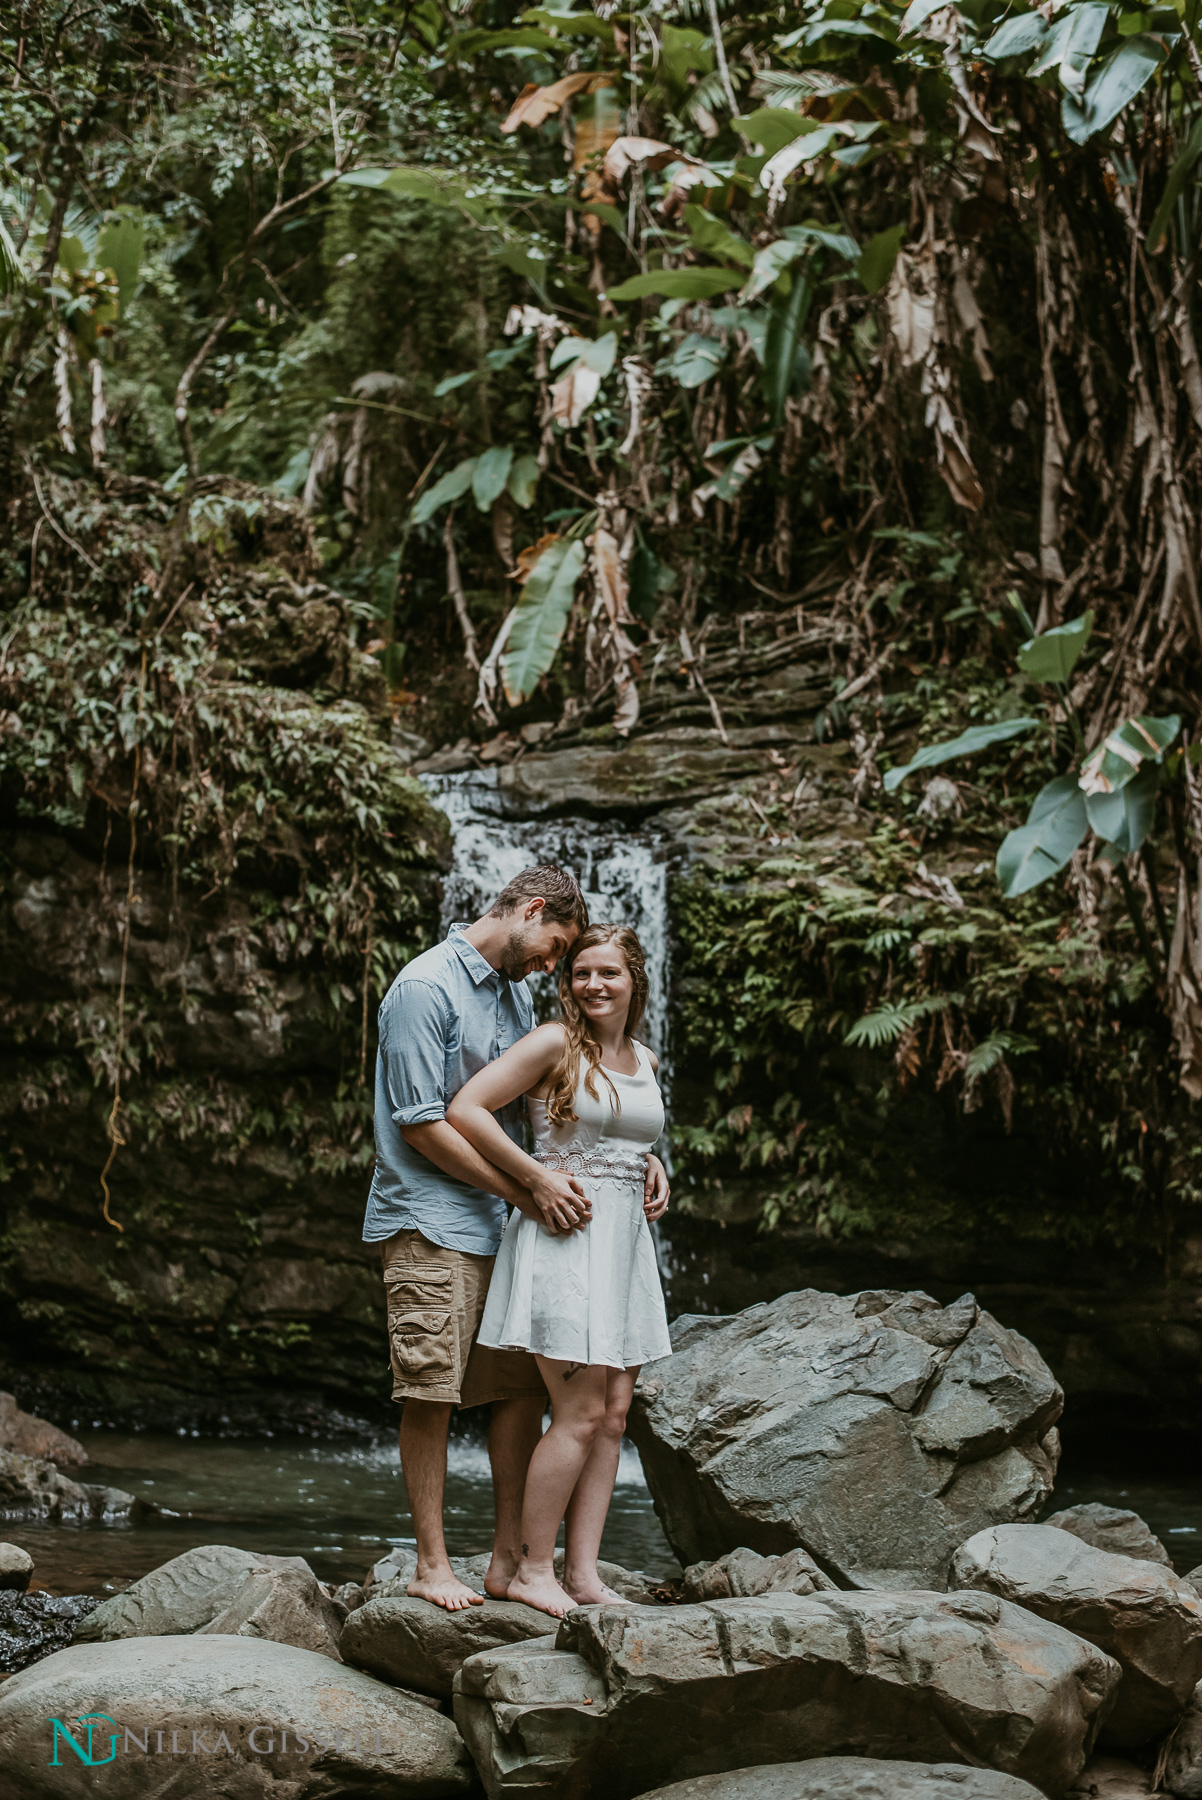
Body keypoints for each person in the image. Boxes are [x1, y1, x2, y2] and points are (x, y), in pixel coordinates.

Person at [363, 870, 670, 1613]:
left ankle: (513, 1561)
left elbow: (556, 1109)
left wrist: (635, 1159)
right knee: (432, 1389)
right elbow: (422, 1119)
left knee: (516, 1395)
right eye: (558, 951)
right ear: (531, 911)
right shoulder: (423, 987)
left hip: (509, 1221)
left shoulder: (510, 989)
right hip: (431, 1216)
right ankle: (432, 1565)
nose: (556, 970)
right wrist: (532, 1187)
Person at [447, 923, 671, 1619]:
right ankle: (529, 1570)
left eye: (609, 973)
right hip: (565, 1243)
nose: (594, 985)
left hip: (625, 1253)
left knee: (611, 1415)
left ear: (635, 980)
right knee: (575, 1412)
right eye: (581, 973)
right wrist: (534, 1176)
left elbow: (626, 1133)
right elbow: (465, 1110)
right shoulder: (552, 1044)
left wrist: (651, 1161)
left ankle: (583, 1574)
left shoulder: (646, 1058)